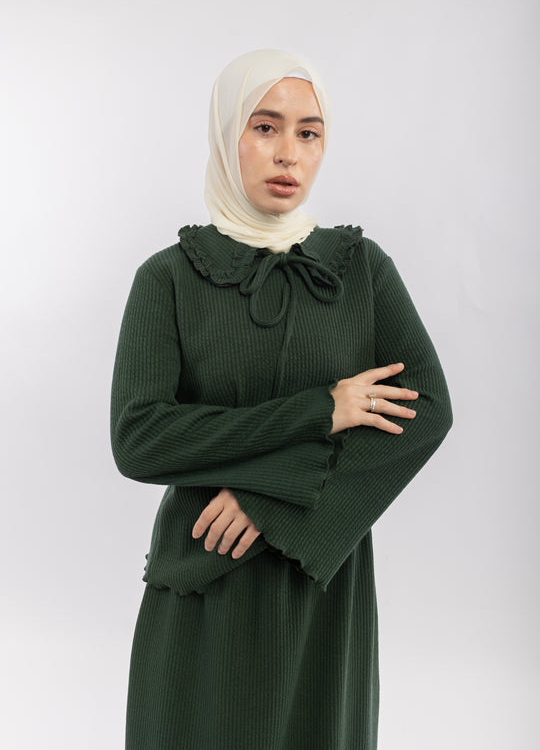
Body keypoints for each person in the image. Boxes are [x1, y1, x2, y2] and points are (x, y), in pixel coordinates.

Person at [110, 49, 452, 750]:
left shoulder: (360, 271)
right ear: (226, 135)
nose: (288, 152)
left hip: (320, 585)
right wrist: (321, 410)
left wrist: (270, 499)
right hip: (204, 580)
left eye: (309, 132)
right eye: (264, 127)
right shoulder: (168, 279)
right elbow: (140, 439)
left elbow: (425, 410)